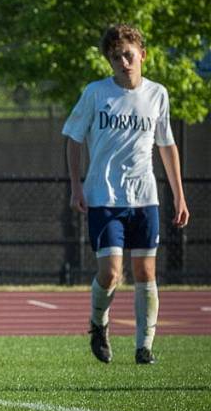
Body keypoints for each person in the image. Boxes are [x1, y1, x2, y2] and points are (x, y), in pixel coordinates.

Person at [63, 24, 189, 365]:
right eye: (116, 56)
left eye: (129, 54)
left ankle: (144, 346)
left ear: (142, 55)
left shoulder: (157, 94)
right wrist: (76, 186)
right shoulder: (95, 93)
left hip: (145, 197)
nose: (123, 61)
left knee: (146, 272)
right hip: (104, 196)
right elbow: (73, 138)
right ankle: (98, 323)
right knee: (111, 272)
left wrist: (179, 194)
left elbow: (167, 145)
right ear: (109, 61)